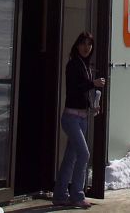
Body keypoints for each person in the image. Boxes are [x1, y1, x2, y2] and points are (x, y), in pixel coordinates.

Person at [55, 32, 106, 208]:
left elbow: (81, 93)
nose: (86, 47)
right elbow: (75, 88)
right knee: (84, 154)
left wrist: (92, 106)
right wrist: (93, 83)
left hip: (82, 117)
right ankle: (77, 195)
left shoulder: (85, 65)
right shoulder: (73, 65)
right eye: (83, 43)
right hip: (71, 118)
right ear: (77, 45)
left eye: (89, 44)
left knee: (71, 157)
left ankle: (60, 195)